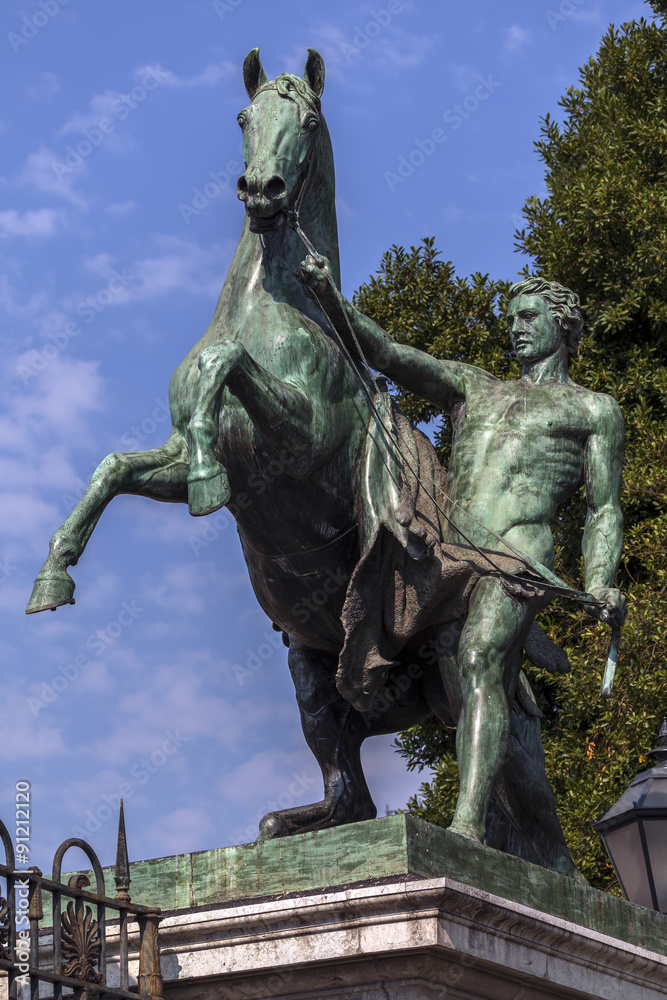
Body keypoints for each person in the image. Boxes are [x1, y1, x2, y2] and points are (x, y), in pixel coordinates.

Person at [301, 254, 627, 844]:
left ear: (562, 324)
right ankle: (532, 839)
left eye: (529, 316)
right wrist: (328, 295)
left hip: (519, 557)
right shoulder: (476, 387)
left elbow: (603, 508)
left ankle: (467, 825)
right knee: (459, 685)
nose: (516, 327)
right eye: (511, 318)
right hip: (450, 558)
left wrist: (601, 578)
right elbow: (390, 354)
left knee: (478, 658)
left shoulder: (593, 410)